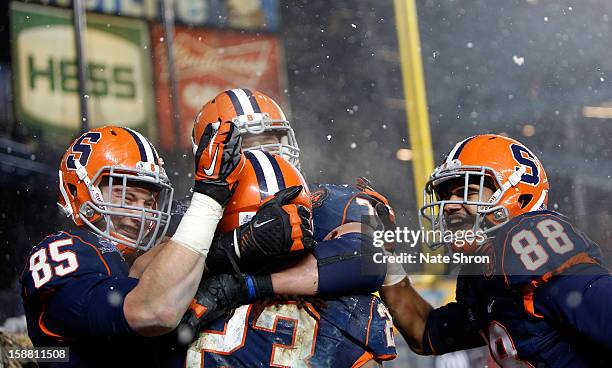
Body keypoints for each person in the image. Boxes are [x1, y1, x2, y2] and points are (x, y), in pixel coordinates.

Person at [19, 124, 312, 367]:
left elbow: (156, 267)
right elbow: (152, 308)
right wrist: (210, 197)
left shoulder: (148, 252)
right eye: (126, 197)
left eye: (149, 202)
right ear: (79, 190)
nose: (141, 213)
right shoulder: (67, 249)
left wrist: (236, 244)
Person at [165, 89, 400, 367]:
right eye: (247, 147)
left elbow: (369, 259)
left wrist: (241, 285)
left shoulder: (323, 200)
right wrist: (234, 247)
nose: (264, 155)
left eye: (271, 142)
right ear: (211, 155)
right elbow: (146, 285)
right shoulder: (193, 214)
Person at [381, 134, 612, 367]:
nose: (449, 205)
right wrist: (383, 256)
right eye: (445, 195)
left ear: (517, 197)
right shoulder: (490, 276)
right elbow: (424, 332)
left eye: (467, 191)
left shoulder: (531, 247)